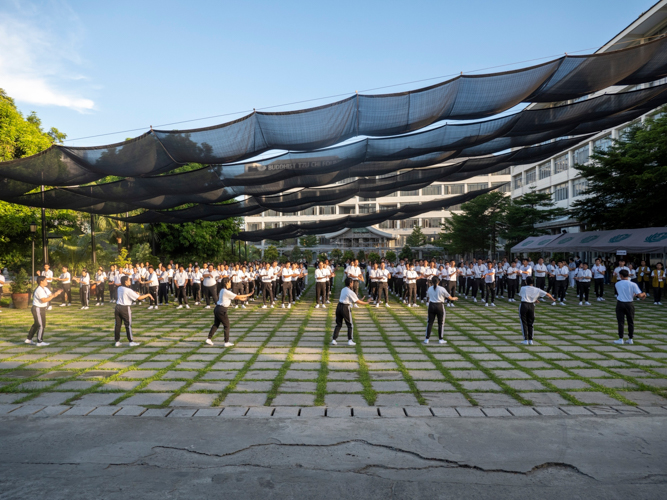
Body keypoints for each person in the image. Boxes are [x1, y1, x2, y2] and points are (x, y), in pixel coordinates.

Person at [206, 279, 252, 347]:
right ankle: (226, 342)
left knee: (216, 324)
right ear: (226, 283)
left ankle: (209, 339)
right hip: (222, 310)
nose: (230, 284)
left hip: (217, 309)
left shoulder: (222, 290)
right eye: (229, 282)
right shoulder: (226, 291)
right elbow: (236, 296)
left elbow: (233, 297)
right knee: (227, 326)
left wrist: (240, 298)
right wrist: (248, 295)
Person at [114, 276, 152, 347]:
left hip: (117, 307)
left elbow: (127, 292)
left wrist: (134, 292)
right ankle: (131, 341)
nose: (130, 281)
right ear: (125, 281)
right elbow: (139, 298)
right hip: (125, 308)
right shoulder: (128, 290)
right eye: (129, 280)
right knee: (128, 325)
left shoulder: (119, 288)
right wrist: (148, 295)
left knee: (117, 325)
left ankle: (117, 341)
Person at [25, 276, 63, 346]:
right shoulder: (39, 290)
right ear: (41, 281)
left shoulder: (45, 288)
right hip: (37, 308)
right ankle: (39, 342)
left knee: (37, 324)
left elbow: (51, 295)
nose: (47, 281)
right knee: (41, 325)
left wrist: (56, 293)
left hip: (42, 309)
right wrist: (53, 296)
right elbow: (44, 300)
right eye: (45, 280)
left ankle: (28, 339)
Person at [331, 277, 369, 346]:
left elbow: (351, 299)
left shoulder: (343, 289)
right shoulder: (350, 292)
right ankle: (350, 340)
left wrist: (360, 299)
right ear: (350, 283)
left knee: (338, 324)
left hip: (339, 306)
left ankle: (334, 339)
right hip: (345, 308)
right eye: (352, 283)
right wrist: (367, 302)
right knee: (350, 324)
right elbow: (357, 301)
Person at [518, 277, 556, 345]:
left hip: (524, 305)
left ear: (526, 282)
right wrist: (552, 298)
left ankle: (525, 339)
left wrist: (533, 299)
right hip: (531, 305)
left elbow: (522, 296)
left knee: (524, 322)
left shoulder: (523, 288)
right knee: (531, 323)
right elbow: (547, 294)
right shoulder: (537, 289)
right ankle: (531, 340)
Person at [614, 269, 646, 345]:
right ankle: (630, 338)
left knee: (621, 322)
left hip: (620, 303)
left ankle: (620, 338)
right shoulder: (633, 284)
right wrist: (644, 294)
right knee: (630, 321)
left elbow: (622, 292)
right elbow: (639, 295)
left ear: (621, 276)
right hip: (629, 304)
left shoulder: (617, 284)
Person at [423, 276, 457, 344]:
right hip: (439, 306)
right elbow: (449, 297)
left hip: (431, 305)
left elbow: (428, 297)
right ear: (439, 281)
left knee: (430, 322)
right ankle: (440, 339)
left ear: (432, 282)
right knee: (440, 323)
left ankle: (427, 338)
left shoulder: (430, 288)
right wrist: (454, 298)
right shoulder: (442, 289)